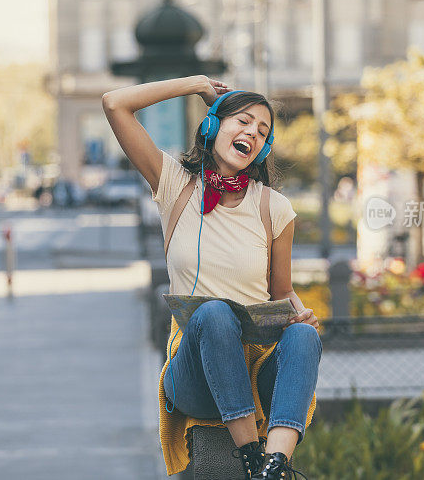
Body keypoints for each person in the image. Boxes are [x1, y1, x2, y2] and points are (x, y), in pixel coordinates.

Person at [102, 76, 321, 479]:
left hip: (255, 363)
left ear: (264, 148)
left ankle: (274, 466)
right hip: (193, 368)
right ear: (211, 126)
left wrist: (301, 314)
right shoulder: (175, 186)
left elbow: (282, 291)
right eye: (243, 121)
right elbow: (115, 103)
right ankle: (251, 457)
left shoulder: (274, 207)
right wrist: (195, 84)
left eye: (262, 131)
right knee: (215, 314)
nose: (252, 133)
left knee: (305, 335)